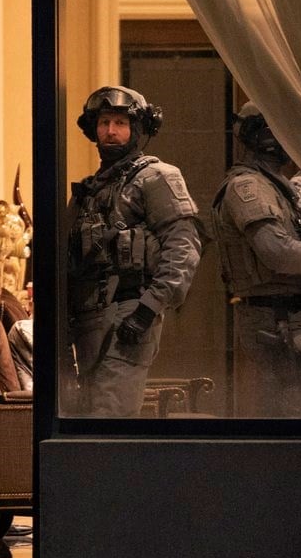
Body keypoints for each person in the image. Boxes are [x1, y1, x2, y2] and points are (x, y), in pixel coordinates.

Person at [65, 85, 202, 417]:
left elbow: (184, 246)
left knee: (109, 416)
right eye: (104, 123)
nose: (111, 131)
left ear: (137, 129)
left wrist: (147, 309)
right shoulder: (88, 191)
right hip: (87, 321)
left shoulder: (156, 178)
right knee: (87, 417)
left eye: (121, 123)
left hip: (128, 315)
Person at [210, 101, 301, 417]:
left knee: (300, 408)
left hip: (292, 312)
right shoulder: (249, 186)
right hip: (276, 316)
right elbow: (278, 253)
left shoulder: (276, 186)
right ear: (266, 136)